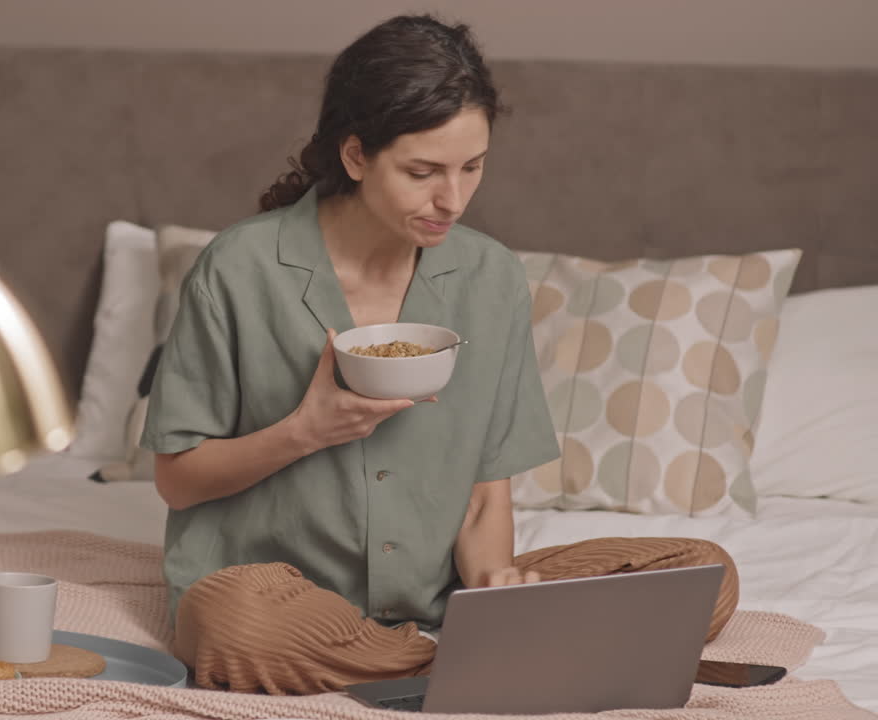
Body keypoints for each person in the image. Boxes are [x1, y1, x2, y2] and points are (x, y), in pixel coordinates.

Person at [139, 14, 738, 696]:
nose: (451, 200)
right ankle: (487, 663)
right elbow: (177, 479)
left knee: (703, 572)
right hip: (279, 599)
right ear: (356, 155)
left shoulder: (491, 277)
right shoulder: (239, 267)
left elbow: (485, 496)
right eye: (422, 172)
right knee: (235, 629)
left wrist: (493, 589)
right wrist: (305, 431)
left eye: (472, 167)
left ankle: (459, 654)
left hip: (438, 597)